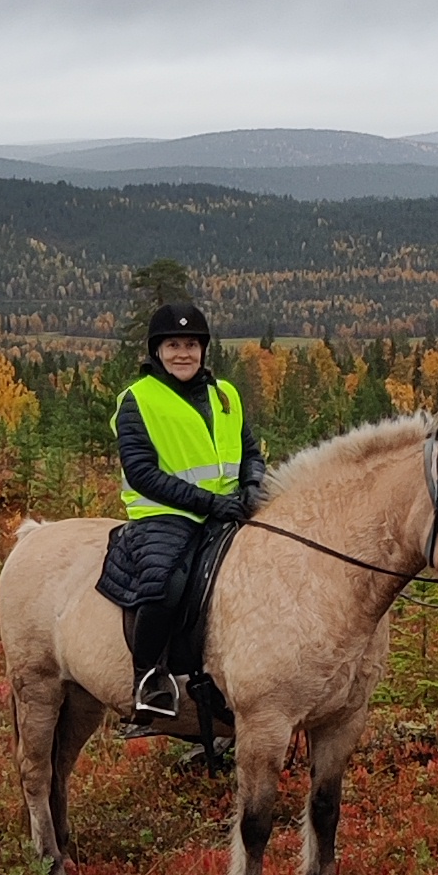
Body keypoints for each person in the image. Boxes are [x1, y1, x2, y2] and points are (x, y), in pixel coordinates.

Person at [114, 300, 265, 726]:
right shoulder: (137, 401)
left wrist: (252, 484)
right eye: (173, 344)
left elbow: (250, 451)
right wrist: (208, 503)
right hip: (165, 514)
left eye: (192, 344)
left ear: (203, 350)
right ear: (157, 351)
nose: (184, 353)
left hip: (230, 510)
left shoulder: (226, 395)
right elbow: (141, 472)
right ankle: (149, 680)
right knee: (165, 584)